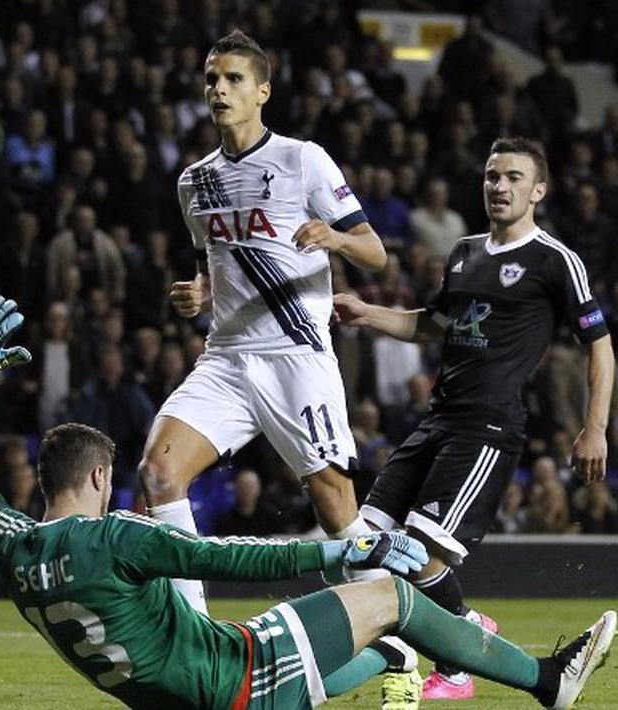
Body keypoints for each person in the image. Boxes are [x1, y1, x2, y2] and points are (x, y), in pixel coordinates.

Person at [0, 296, 617, 710]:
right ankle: (544, 681)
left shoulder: (13, 546)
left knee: (347, 643)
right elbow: (227, 556)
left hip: (192, 695)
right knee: (393, 600)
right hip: (236, 680)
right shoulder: (115, 538)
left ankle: (395, 660)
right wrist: (345, 547)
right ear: (100, 476)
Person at [334, 137, 616, 700]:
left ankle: (458, 664)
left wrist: (596, 427)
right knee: (362, 545)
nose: (499, 186)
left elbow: (600, 344)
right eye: (492, 176)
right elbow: (433, 324)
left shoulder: (554, 260)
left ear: (538, 190)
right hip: (436, 421)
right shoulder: (464, 252)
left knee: (418, 555)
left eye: (513, 177)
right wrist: (369, 314)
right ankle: (466, 626)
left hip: (486, 429)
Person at [141, 30, 387, 618]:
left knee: (336, 510)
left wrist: (333, 237)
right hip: (225, 358)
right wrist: (199, 294)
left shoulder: (303, 160)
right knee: (158, 473)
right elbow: (215, 266)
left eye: (233, 80)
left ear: (262, 92)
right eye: (211, 79)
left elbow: (374, 250)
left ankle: (399, 641)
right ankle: (193, 638)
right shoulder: (193, 181)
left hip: (296, 355)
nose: (218, 90)